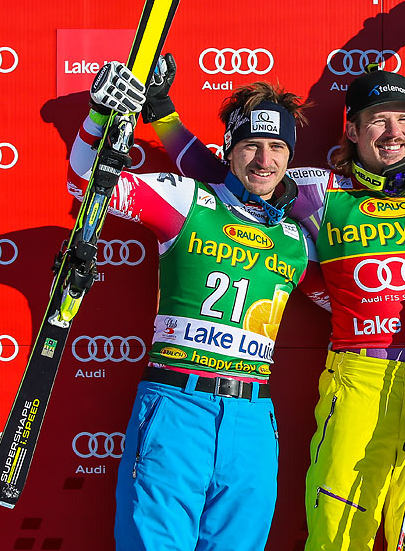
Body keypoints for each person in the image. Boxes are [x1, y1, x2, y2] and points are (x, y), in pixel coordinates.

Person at [140, 0, 405, 546]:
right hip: (358, 377)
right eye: (378, 120)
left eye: (403, 118)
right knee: (338, 536)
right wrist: (164, 117)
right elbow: (228, 178)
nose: (394, 131)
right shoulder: (318, 190)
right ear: (354, 131)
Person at [71, 65, 326, 551]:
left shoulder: (297, 239)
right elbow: (85, 184)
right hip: (177, 406)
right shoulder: (185, 199)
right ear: (229, 149)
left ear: (290, 157)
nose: (264, 159)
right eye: (251, 145)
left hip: (252, 419)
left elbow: (349, 306)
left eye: (277, 147)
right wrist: (99, 116)